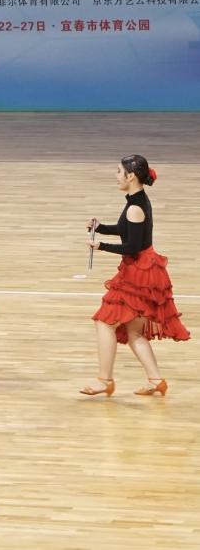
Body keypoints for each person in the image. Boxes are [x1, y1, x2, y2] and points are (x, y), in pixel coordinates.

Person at [81, 155, 190, 398]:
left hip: (139, 273)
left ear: (131, 176)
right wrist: (100, 228)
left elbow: (131, 247)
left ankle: (104, 380)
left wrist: (101, 246)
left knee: (104, 322)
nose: (116, 176)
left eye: (119, 171)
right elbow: (126, 230)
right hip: (145, 270)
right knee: (134, 332)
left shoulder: (135, 207)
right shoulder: (137, 201)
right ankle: (156, 381)